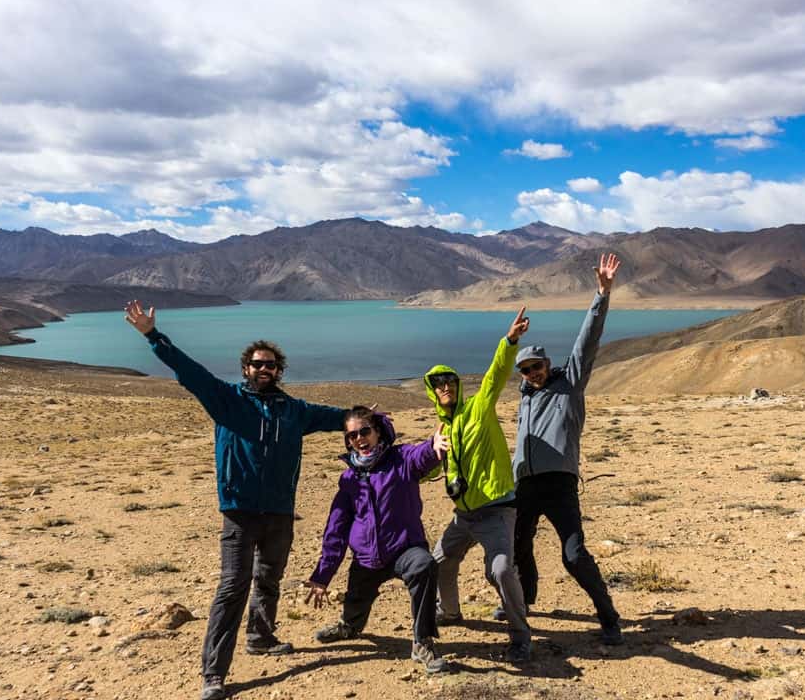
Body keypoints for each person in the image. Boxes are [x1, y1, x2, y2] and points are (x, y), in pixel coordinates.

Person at [124, 300, 348, 700]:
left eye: (272, 365)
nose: (265, 370)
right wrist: (153, 336)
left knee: (269, 579)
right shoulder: (227, 400)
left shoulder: (294, 411)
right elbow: (189, 372)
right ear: (246, 368)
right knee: (232, 587)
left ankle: (260, 637)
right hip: (240, 513)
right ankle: (214, 673)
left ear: (279, 371)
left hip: (279, 511)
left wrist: (365, 417)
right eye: (258, 364)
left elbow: (338, 418)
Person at [510, 253, 624, 646]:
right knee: (517, 547)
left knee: (573, 555)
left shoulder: (568, 385)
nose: (533, 373)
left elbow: (586, 342)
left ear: (548, 364)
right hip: (523, 486)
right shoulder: (524, 398)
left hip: (559, 485)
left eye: (538, 365)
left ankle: (608, 616)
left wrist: (601, 295)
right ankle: (526, 600)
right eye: (526, 369)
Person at [302, 407, 451, 674]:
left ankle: (422, 642)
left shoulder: (400, 459)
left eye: (364, 431)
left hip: (404, 548)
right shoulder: (349, 478)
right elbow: (336, 528)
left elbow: (421, 457)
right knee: (356, 599)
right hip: (367, 557)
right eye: (352, 435)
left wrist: (433, 447)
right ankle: (349, 626)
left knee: (424, 565)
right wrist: (323, 575)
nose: (358, 438)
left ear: (378, 432)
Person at [425, 308, 534, 663]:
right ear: (432, 392)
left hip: (496, 509)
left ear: (458, 386)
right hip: (464, 514)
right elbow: (428, 474)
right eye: (438, 384)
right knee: (438, 561)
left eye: (450, 382)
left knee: (501, 569)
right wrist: (429, 453)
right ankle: (451, 612)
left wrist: (510, 341)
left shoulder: (478, 408)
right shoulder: (441, 430)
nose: (445, 388)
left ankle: (520, 635)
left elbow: (496, 374)